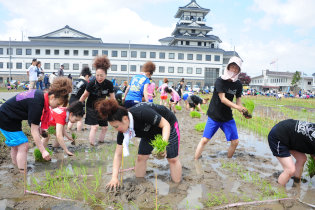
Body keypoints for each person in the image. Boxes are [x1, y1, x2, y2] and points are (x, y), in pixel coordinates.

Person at [96, 99, 182, 189]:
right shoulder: (122, 131)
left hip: (168, 124)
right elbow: (118, 154)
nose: (116, 129)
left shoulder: (142, 112)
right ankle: (140, 183)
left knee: (172, 159)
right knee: (141, 157)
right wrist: (114, 178)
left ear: (125, 119)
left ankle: (177, 186)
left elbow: (165, 125)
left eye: (116, 126)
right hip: (149, 131)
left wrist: (163, 145)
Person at [0, 77, 72, 173]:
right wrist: (43, 151)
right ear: (52, 97)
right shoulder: (37, 103)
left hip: (11, 117)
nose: (57, 107)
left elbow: (32, 120)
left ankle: (17, 168)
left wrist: (40, 129)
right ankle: (22, 173)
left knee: (16, 145)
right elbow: (33, 131)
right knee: (23, 145)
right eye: (58, 103)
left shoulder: (39, 95)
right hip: (5, 118)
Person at [194, 56, 247, 159]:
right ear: (228, 67)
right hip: (215, 115)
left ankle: (228, 161)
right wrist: (237, 107)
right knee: (205, 140)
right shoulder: (220, 80)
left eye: (237, 68)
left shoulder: (238, 85)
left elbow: (238, 101)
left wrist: (243, 111)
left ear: (239, 70)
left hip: (227, 117)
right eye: (232, 67)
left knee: (235, 142)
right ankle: (196, 159)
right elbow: (222, 99)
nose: (234, 70)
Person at [79, 56, 115, 146]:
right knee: (94, 127)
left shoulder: (109, 84)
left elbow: (113, 98)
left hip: (102, 107)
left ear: (105, 75)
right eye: (97, 75)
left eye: (101, 75)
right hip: (91, 106)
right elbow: (84, 96)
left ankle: (101, 142)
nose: (99, 78)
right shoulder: (91, 83)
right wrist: (78, 106)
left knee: (105, 127)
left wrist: (114, 110)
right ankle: (92, 145)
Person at [268, 119, 315, 186]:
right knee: (290, 170)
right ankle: (279, 192)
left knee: (302, 159)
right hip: (278, 136)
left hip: (289, 136)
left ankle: (296, 183)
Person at [68, 67, 92, 132]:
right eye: (89, 77)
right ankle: (79, 133)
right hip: (79, 101)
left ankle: (68, 130)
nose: (89, 79)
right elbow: (86, 94)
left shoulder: (75, 81)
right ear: (87, 76)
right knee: (79, 118)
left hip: (71, 100)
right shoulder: (86, 83)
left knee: (72, 116)